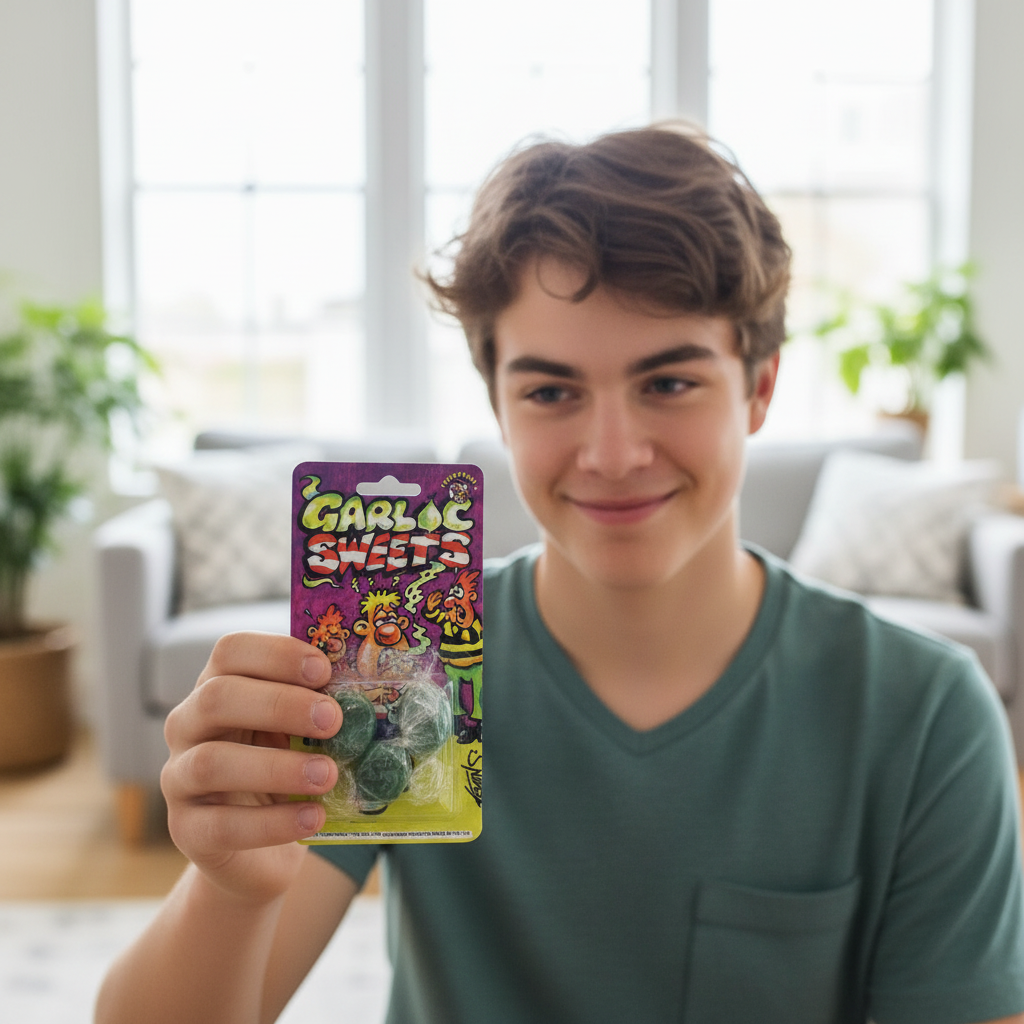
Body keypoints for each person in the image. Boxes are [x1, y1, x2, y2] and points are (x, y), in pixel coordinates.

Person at [96, 124, 1024, 1024]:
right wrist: (230, 888)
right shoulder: (409, 663)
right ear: (498, 409)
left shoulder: (925, 714)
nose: (612, 454)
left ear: (762, 387)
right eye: (550, 392)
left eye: (668, 383)